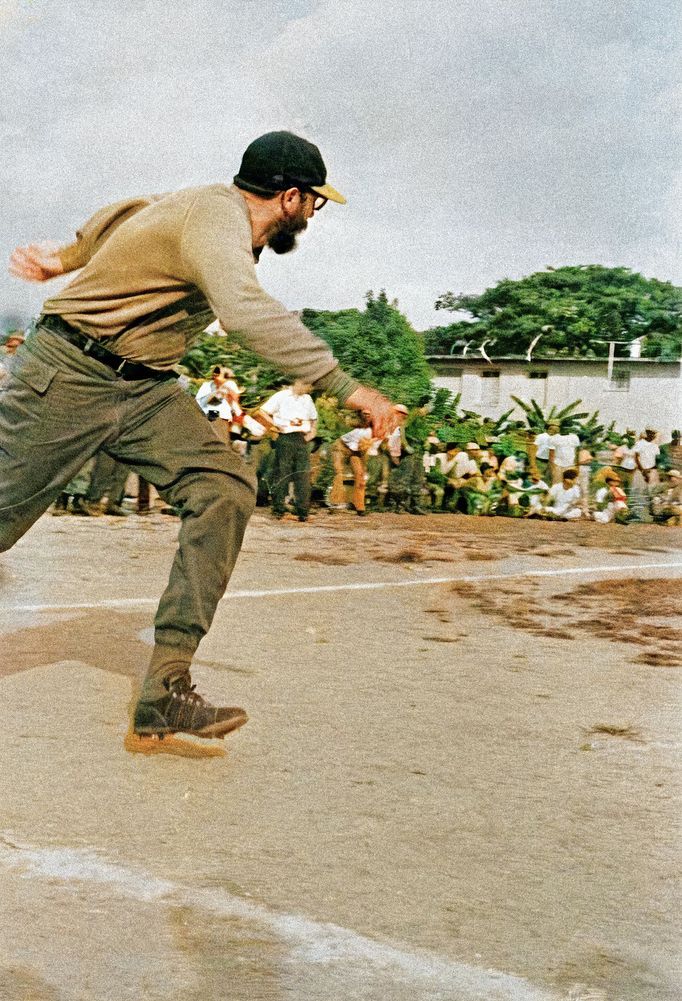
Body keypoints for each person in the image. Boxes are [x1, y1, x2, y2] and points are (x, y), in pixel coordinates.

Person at [3, 130, 398, 747]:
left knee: (225, 485)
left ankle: (165, 690)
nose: (312, 217)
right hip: (69, 373)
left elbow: (133, 210)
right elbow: (243, 311)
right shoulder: (219, 220)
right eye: (314, 203)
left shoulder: (206, 209)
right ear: (290, 197)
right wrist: (348, 387)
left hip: (145, 389)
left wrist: (70, 255)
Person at [258, 380, 319, 521]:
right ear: (299, 382)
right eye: (308, 384)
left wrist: (313, 431)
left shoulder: (307, 399)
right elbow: (262, 411)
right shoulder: (281, 396)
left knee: (303, 474)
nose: (310, 388)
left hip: (302, 438)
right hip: (285, 437)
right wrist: (275, 425)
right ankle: (279, 508)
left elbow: (313, 418)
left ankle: (302, 510)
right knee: (282, 473)